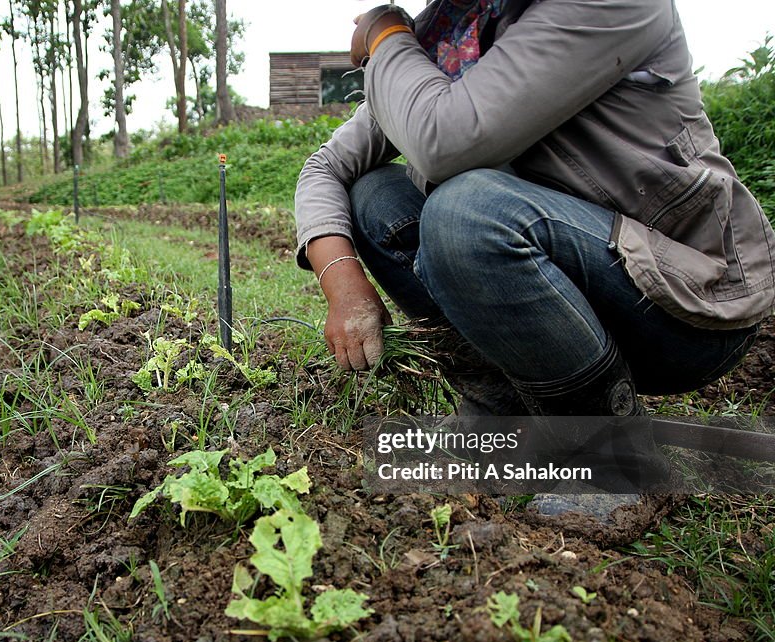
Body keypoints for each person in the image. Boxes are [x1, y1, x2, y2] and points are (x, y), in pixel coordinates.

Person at [295, 1, 775, 529]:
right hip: (553, 285)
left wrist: (385, 35)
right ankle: (500, 418)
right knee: (375, 196)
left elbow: (446, 141)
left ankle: (611, 458)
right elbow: (327, 166)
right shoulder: (456, 35)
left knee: (466, 211)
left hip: (681, 303)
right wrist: (343, 282)